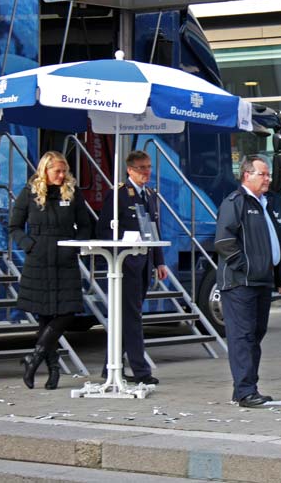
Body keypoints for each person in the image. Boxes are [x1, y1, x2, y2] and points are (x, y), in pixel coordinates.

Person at [10, 151, 92, 389]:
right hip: (39, 258)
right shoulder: (30, 192)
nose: (61, 175)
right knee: (44, 317)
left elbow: (85, 225)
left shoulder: (73, 193)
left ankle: (32, 359)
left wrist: (75, 247)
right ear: (44, 170)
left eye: (64, 170)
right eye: (57, 170)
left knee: (68, 311)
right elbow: (14, 226)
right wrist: (29, 246)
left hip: (65, 257)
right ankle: (54, 370)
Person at [215, 156, 281, 408]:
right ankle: (246, 391)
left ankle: (246, 388)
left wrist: (279, 275)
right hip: (241, 282)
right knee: (242, 336)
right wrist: (245, 268)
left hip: (262, 281)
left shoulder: (263, 203)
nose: (268, 178)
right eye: (263, 174)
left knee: (255, 335)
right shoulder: (235, 202)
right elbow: (224, 241)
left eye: (268, 174)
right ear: (247, 175)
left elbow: (270, 243)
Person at [97, 150, 167, 385]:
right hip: (125, 264)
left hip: (144, 263)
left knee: (128, 317)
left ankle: (110, 367)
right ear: (129, 170)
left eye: (148, 167)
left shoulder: (150, 194)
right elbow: (104, 231)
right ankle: (141, 371)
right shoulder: (118, 195)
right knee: (132, 318)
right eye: (141, 168)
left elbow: (154, 229)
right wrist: (122, 249)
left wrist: (159, 261)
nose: (146, 172)